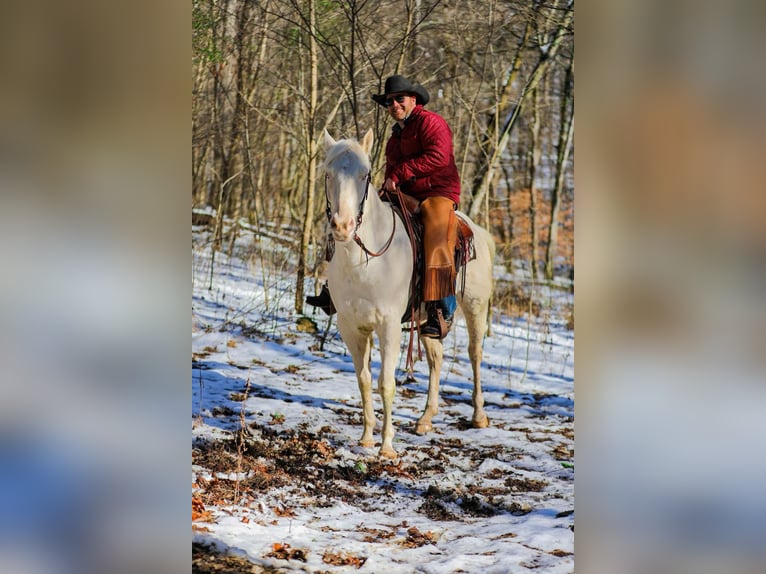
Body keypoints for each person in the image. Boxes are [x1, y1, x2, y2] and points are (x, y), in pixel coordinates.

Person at [308, 74, 460, 339]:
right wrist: (385, 187)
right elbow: (391, 172)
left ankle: (441, 309)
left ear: (413, 99)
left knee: (436, 235)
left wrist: (401, 173)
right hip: (403, 193)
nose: (394, 105)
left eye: (399, 99)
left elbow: (439, 156)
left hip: (436, 193)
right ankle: (334, 289)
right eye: (389, 101)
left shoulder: (431, 123)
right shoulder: (394, 137)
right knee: (356, 221)